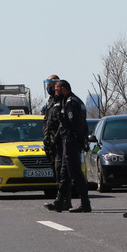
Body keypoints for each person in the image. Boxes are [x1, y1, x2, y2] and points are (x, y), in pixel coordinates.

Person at [45, 80, 91, 213]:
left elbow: (75, 124)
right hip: (67, 141)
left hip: (71, 141)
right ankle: (59, 202)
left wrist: (78, 140)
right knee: (64, 173)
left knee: (75, 173)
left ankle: (85, 203)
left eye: (57, 90)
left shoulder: (71, 102)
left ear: (64, 89)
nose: (55, 92)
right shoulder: (70, 101)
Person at [41, 75, 62, 183]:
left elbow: (63, 122)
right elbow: (46, 120)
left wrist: (56, 137)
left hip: (60, 140)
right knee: (55, 168)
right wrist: (46, 135)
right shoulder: (50, 101)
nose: (48, 87)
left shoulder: (61, 100)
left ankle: (64, 197)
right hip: (51, 139)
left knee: (62, 169)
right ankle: (60, 196)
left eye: (50, 85)